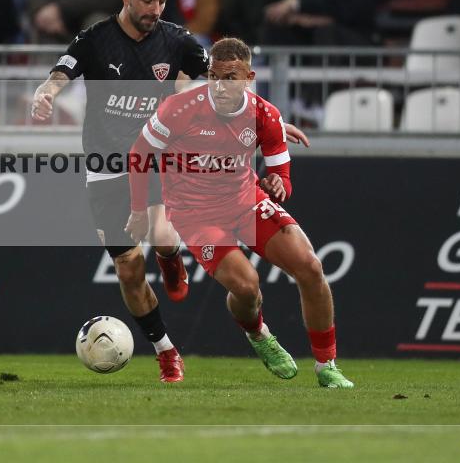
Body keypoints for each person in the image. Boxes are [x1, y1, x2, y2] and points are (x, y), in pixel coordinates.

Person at [30, 0, 311, 382]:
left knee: (162, 234)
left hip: (161, 158)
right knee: (127, 268)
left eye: (162, 0)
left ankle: (170, 256)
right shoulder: (94, 40)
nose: (155, 9)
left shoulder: (177, 40)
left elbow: (225, 87)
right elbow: (61, 72)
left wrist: (268, 119)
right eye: (147, 0)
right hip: (106, 169)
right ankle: (165, 350)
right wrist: (46, 93)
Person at [125, 37, 354, 389]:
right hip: (196, 215)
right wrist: (139, 211)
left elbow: (283, 177)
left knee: (310, 266)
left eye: (229, 78)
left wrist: (279, 185)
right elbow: (139, 155)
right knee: (247, 288)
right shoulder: (180, 109)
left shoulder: (265, 115)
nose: (219, 86)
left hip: (245, 202)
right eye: (214, 76)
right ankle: (259, 334)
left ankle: (327, 366)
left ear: (248, 77)